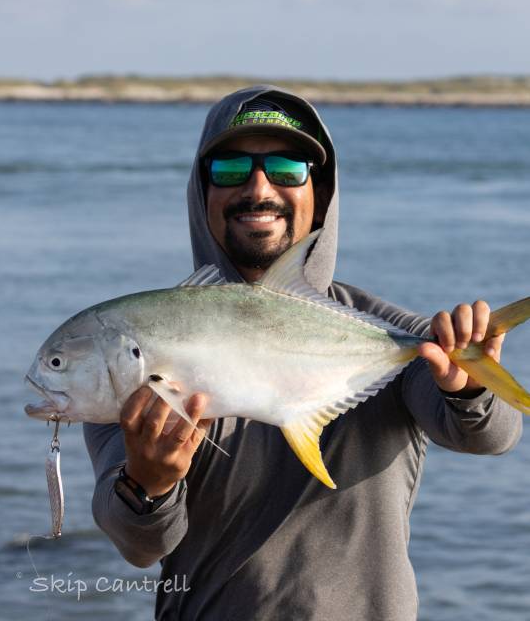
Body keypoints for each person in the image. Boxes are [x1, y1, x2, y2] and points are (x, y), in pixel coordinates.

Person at [84, 85, 521, 621]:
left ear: (322, 194)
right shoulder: (138, 347)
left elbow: (489, 435)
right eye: (229, 169)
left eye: (288, 168)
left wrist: (469, 384)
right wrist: (148, 485)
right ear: (202, 195)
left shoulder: (391, 331)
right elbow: (139, 544)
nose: (258, 188)